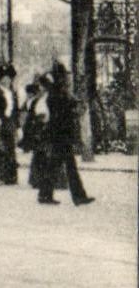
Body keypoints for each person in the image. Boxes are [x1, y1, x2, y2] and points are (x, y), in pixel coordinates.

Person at [41, 62, 95, 207]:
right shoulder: (59, 93)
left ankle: (45, 194)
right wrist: (75, 109)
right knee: (69, 167)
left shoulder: (55, 92)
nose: (66, 78)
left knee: (57, 165)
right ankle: (78, 196)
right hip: (61, 134)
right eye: (64, 76)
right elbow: (64, 113)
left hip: (59, 134)